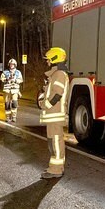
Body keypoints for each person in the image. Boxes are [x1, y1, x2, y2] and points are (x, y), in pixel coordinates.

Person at [38, 47, 69, 179]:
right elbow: (50, 93)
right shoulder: (55, 75)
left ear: (55, 59)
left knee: (56, 142)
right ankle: (55, 167)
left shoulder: (59, 74)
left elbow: (57, 94)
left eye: (49, 60)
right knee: (53, 142)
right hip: (52, 116)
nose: (47, 62)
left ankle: (56, 170)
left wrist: (45, 105)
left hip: (55, 115)